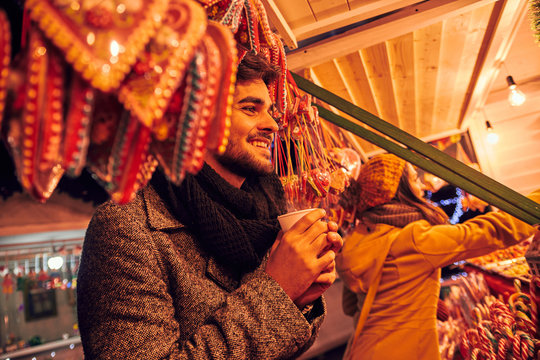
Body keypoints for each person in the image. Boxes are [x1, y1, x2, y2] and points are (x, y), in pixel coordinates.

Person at [76, 52, 343, 359]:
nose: (272, 125)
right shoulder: (126, 228)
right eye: (250, 109)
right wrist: (279, 290)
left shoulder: (263, 217)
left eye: (271, 112)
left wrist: (298, 299)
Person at [336, 153, 539, 360]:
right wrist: (533, 206)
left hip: (361, 349)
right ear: (399, 191)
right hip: (403, 350)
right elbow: (486, 233)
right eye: (414, 179)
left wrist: (412, 295)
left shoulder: (355, 239)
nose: (422, 187)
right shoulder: (412, 239)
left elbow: (351, 306)